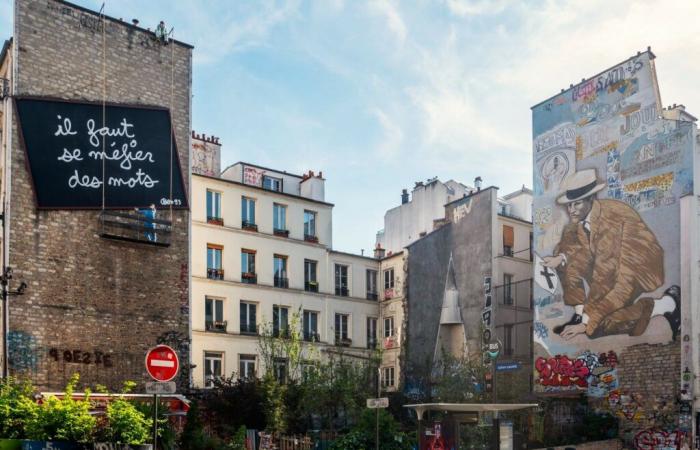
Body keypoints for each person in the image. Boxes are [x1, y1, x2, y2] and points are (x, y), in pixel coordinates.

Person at [542, 169, 680, 340]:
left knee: (596, 325)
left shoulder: (613, 219)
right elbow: (570, 254)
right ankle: (578, 313)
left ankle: (668, 304)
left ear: (591, 199)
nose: (571, 210)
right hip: (607, 269)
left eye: (576, 204)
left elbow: (615, 280)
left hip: (639, 268)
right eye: (569, 205)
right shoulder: (575, 226)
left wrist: (587, 322)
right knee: (563, 257)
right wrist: (561, 259)